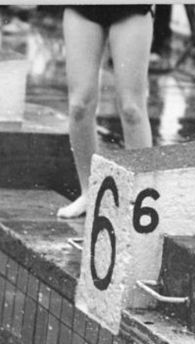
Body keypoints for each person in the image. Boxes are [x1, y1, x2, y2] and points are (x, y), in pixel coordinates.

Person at [57, 5, 153, 219]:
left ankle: (141, 201)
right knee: (79, 105)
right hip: (83, 8)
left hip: (131, 9)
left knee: (132, 109)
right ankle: (89, 192)